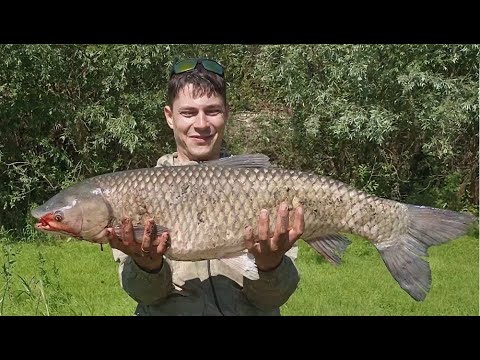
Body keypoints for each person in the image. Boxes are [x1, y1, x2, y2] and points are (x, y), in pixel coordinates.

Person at [107, 58, 305, 316]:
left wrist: (270, 265)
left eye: (212, 111)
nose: (201, 124)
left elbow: (272, 299)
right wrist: (148, 266)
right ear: (170, 117)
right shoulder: (133, 193)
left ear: (227, 113)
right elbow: (147, 296)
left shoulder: (265, 187)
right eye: (188, 113)